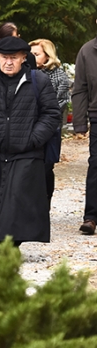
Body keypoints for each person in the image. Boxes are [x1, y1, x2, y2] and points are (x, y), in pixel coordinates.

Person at [0, 37, 61, 247]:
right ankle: (0, 239)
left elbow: (51, 113)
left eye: (13, 58)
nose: (8, 62)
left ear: (24, 58)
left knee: (18, 199)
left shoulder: (38, 80)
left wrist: (34, 138)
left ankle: (9, 243)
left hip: (25, 150)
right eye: (4, 57)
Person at [29, 38, 69, 206]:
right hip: (28, 127)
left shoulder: (59, 76)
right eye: (30, 54)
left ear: (48, 55)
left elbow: (61, 102)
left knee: (46, 168)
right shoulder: (26, 73)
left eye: (36, 54)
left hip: (50, 129)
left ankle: (45, 204)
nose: (32, 57)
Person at [72, 28, 97, 235]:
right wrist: (80, 123)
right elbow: (79, 88)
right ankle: (91, 217)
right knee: (96, 164)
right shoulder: (88, 51)